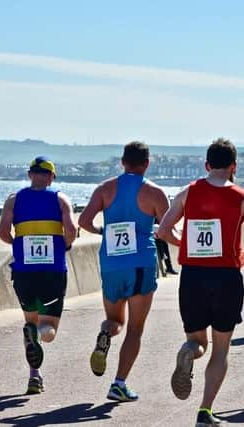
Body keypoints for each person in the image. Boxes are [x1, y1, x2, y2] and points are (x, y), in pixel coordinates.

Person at [156, 138, 244, 427]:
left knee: (197, 341)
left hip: (192, 275)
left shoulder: (187, 193)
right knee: (220, 349)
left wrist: (186, 245)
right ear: (234, 166)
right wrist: (243, 257)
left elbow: (164, 230)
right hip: (226, 277)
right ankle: (205, 411)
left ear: (207, 165)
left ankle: (189, 352)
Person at [78, 141, 170, 402]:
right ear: (147, 163)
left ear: (122, 162)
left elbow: (84, 221)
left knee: (115, 321)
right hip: (141, 263)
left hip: (111, 263)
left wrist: (102, 232)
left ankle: (106, 332)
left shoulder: (105, 188)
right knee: (135, 329)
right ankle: (118, 384)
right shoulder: (154, 192)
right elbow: (166, 229)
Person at [0, 156, 77, 395]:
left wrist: (16, 244)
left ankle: (34, 375)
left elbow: (2, 231)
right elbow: (71, 230)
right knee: (48, 329)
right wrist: (65, 244)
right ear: (51, 177)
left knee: (30, 320)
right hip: (52, 272)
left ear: (30, 175)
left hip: (24, 272)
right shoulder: (60, 198)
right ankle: (39, 335)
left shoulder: (14, 199)